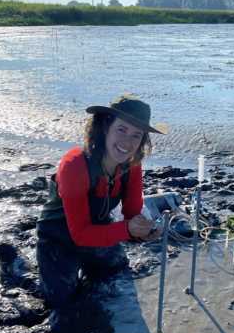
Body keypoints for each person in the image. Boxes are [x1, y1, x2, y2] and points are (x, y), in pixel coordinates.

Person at [36, 94, 166, 314]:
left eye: (136, 135)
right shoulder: (75, 165)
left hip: (100, 230)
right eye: (122, 129)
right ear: (105, 126)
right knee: (62, 303)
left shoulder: (132, 165)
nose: (127, 142)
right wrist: (127, 229)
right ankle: (15, 263)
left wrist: (144, 231)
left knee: (117, 272)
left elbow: (133, 214)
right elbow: (80, 235)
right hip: (58, 237)